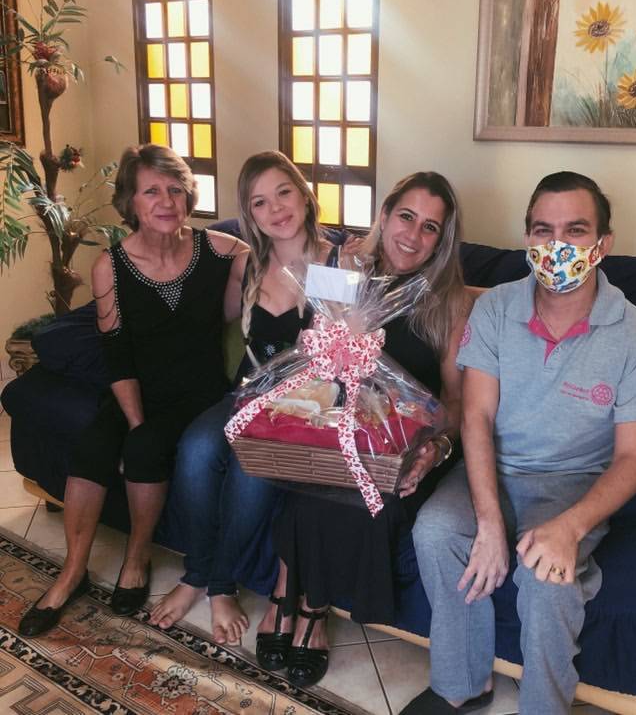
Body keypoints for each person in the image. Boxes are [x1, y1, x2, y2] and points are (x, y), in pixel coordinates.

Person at [401, 171, 636, 715]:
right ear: (527, 238)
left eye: (575, 231)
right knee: (435, 532)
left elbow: (635, 457)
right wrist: (488, 523)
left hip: (572, 485)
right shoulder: (495, 309)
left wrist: (571, 528)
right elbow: (476, 416)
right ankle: (462, 685)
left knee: (549, 578)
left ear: (603, 244)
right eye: (543, 230)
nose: (557, 246)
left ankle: (544, 706)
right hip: (494, 467)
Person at [18, 144, 248, 638]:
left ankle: (136, 559)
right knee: (94, 445)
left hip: (198, 393)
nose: (166, 201)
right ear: (131, 202)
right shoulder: (111, 266)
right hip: (135, 387)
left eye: (175, 189)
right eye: (151, 192)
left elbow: (255, 281)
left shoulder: (223, 250)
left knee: (143, 450)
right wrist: (136, 421)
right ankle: (72, 572)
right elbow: (117, 356)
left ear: (188, 196)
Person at [266, 172, 473, 688]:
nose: (413, 235)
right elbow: (309, 359)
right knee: (310, 475)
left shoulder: (450, 302)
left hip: (402, 443)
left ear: (442, 240)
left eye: (430, 227)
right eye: (406, 216)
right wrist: (324, 349)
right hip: (334, 423)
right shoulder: (344, 270)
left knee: (359, 494)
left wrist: (436, 448)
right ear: (384, 215)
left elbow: (454, 400)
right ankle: (286, 596)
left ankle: (308, 610)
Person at [148, 150, 332, 645]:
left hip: (303, 409)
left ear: (304, 194)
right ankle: (197, 573)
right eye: (259, 202)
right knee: (195, 448)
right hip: (247, 392)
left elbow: (346, 347)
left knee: (251, 468)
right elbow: (215, 315)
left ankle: (217, 583)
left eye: (284, 192)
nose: (276, 209)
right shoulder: (247, 262)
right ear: (249, 214)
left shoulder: (338, 261)